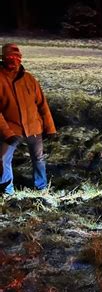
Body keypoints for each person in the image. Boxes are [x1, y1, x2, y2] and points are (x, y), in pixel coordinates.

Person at [0, 43, 56, 195]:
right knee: (3, 159)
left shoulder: (29, 79)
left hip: (33, 128)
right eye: (10, 57)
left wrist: (50, 128)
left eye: (17, 57)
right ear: (3, 58)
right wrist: (7, 133)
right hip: (12, 129)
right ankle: (7, 191)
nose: (14, 60)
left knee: (39, 159)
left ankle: (41, 188)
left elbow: (42, 104)